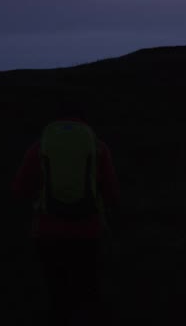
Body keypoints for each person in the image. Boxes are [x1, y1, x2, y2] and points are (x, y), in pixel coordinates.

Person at [13, 105, 120, 325]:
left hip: (47, 231)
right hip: (89, 231)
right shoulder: (98, 147)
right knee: (89, 292)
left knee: (57, 295)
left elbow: (19, 189)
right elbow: (112, 193)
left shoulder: (40, 147)